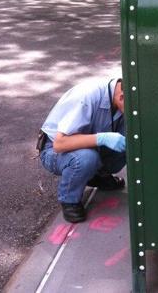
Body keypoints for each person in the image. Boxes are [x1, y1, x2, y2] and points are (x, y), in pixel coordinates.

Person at [38, 78, 126, 223]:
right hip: (54, 151)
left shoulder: (120, 93)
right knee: (85, 158)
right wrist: (102, 138)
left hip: (88, 143)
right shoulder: (86, 96)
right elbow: (59, 144)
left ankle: (98, 175)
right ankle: (69, 200)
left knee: (133, 139)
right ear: (122, 97)